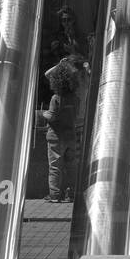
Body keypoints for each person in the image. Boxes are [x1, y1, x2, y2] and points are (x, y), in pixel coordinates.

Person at [41, 58, 79, 202]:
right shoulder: (75, 98)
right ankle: (72, 193)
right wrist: (66, 66)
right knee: (71, 166)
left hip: (55, 136)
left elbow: (51, 116)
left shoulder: (56, 98)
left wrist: (41, 114)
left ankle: (55, 195)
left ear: (56, 81)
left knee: (55, 167)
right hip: (71, 135)